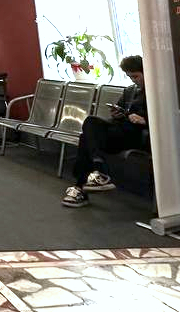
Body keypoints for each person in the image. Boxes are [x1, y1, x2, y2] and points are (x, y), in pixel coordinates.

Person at [61, 55, 147, 208]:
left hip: (135, 135)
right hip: (119, 131)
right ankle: (99, 169)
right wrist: (117, 113)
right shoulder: (130, 91)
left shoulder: (156, 92)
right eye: (130, 77)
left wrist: (145, 120)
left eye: (135, 76)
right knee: (90, 124)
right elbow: (121, 110)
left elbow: (164, 117)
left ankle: (81, 186)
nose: (133, 80)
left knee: (87, 138)